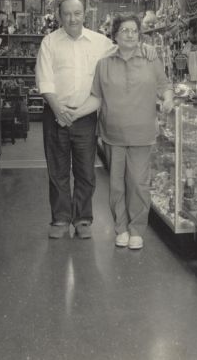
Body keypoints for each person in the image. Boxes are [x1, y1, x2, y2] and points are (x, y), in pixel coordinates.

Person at [36, 0, 155, 239]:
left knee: (85, 171)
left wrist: (145, 47)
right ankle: (60, 219)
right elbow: (44, 78)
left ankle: (82, 219)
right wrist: (58, 109)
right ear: (60, 16)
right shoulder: (49, 42)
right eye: (67, 14)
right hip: (55, 113)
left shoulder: (99, 42)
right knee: (57, 170)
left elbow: (124, 47)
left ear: (84, 15)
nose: (72, 18)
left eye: (77, 13)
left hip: (86, 116)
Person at [69, 13, 174, 250]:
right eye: (124, 30)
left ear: (139, 35)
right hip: (112, 135)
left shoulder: (150, 59)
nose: (129, 34)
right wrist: (74, 113)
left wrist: (168, 99)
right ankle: (121, 228)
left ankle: (137, 229)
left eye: (134, 31)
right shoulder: (103, 64)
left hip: (142, 133)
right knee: (116, 185)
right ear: (115, 35)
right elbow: (96, 97)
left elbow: (164, 85)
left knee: (138, 183)